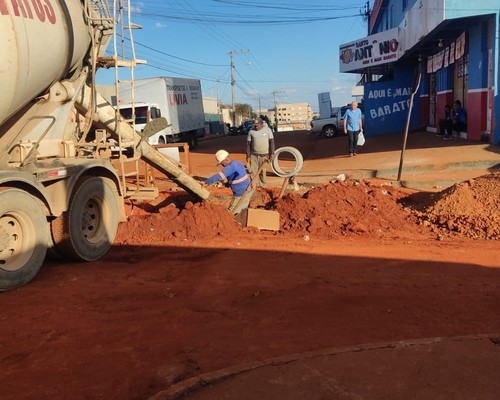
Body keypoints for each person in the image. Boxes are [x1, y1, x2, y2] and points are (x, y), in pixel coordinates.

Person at [205, 150, 251, 215]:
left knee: (231, 212)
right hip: (247, 189)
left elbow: (219, 176)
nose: (221, 165)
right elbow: (238, 177)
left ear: (225, 160)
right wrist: (228, 183)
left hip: (241, 192)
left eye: (221, 163)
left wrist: (206, 182)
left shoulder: (230, 167)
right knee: (242, 209)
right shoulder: (237, 162)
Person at [246, 117, 275, 188]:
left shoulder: (268, 130)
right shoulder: (251, 132)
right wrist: (248, 155)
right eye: (255, 125)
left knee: (263, 171)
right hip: (254, 155)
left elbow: (271, 142)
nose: (256, 126)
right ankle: (253, 186)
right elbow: (248, 144)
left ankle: (263, 187)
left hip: (264, 155)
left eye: (257, 125)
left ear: (261, 124)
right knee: (253, 171)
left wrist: (272, 153)